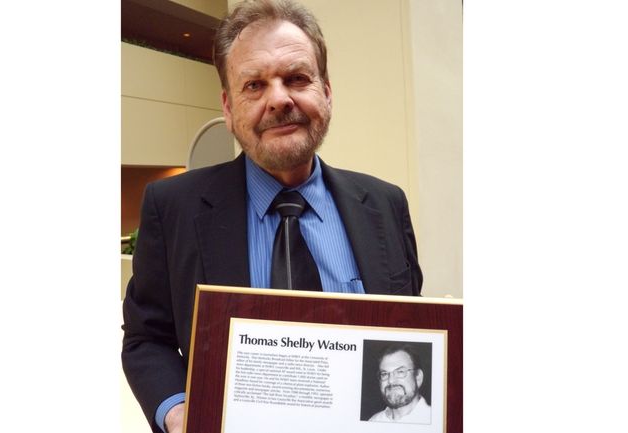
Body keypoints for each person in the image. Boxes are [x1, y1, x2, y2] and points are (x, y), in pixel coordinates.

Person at [122, 1, 422, 432]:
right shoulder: (173, 209)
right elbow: (146, 338)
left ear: (327, 92)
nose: (279, 99)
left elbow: (407, 334)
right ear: (228, 108)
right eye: (254, 85)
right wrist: (179, 411)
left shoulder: (386, 205)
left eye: (297, 78)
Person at [369, 344, 431, 423]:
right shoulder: (373, 421)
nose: (391, 380)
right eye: (384, 374)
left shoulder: (435, 420)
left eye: (400, 372)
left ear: (418, 377)